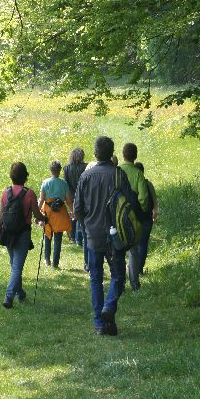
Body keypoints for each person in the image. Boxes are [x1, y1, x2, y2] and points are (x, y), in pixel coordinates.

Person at [73, 136, 142, 336]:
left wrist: (87, 226)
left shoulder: (86, 177)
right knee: (118, 276)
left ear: (95, 153)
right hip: (116, 235)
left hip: (93, 235)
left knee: (95, 278)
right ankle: (109, 308)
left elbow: (77, 209)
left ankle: (100, 323)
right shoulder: (119, 175)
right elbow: (130, 203)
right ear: (112, 153)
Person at [0, 162, 47, 308]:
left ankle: (21, 294)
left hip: (7, 233)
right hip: (23, 233)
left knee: (14, 266)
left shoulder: (5, 193)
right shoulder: (29, 194)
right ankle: (9, 297)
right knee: (17, 267)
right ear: (26, 176)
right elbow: (37, 215)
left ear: (11, 176)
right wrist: (44, 219)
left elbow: (0, 215)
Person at [119, 143, 151, 290]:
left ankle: (119, 281)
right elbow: (144, 197)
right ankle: (134, 281)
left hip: (118, 214)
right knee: (134, 249)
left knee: (118, 247)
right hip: (134, 215)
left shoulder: (117, 171)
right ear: (135, 156)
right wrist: (141, 210)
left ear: (123, 155)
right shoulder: (138, 174)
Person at [39, 160, 72, 268]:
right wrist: (73, 211)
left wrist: (37, 212)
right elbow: (68, 200)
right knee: (58, 238)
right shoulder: (63, 183)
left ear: (51, 170)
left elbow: (41, 199)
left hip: (48, 212)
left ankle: (47, 259)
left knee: (47, 235)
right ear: (59, 170)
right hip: (60, 213)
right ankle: (55, 263)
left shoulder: (45, 182)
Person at [134, 161, 158, 275]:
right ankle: (139, 269)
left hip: (135, 218)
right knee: (143, 244)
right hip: (147, 218)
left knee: (135, 244)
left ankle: (134, 268)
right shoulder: (148, 184)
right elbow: (155, 201)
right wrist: (155, 213)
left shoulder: (132, 184)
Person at [63, 147, 88, 245]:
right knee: (83, 215)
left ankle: (72, 236)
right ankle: (81, 237)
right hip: (84, 195)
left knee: (73, 215)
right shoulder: (85, 167)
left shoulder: (66, 168)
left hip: (72, 195)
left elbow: (66, 184)